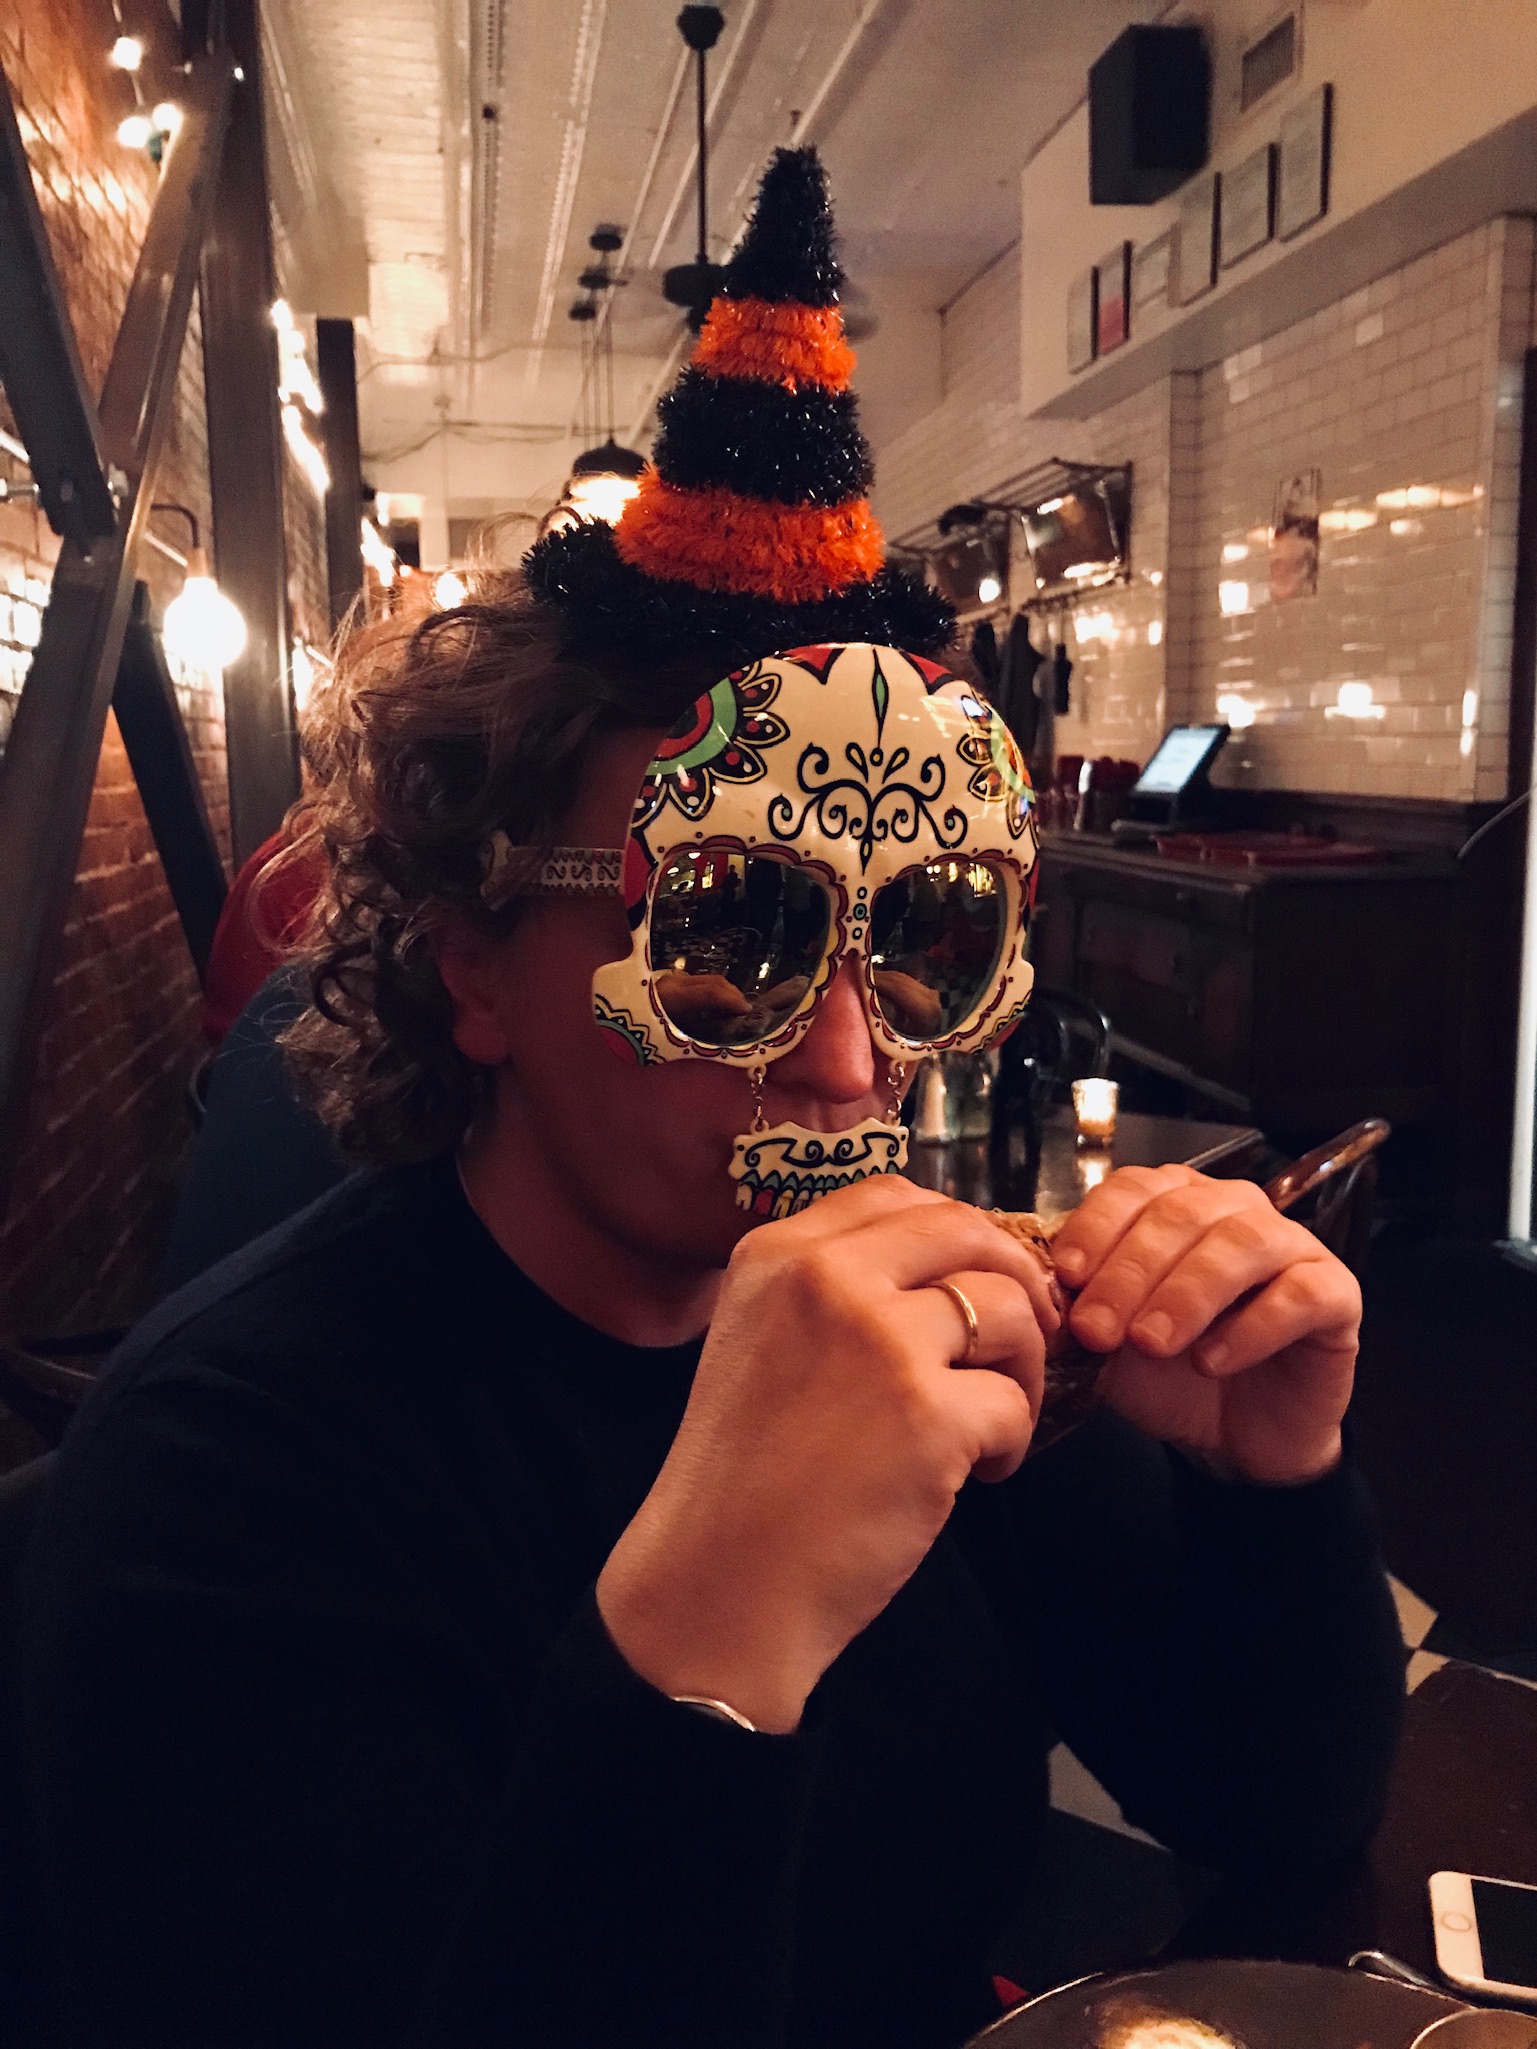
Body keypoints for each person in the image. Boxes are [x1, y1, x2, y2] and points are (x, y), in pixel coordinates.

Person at [19, 150, 1403, 2049]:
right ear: (474, 960)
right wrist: (706, 1638)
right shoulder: (232, 1470)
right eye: (731, 931)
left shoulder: (957, 1330)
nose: (843, 1064)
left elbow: (1275, 1813)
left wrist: (1269, 1487)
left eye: (922, 939)